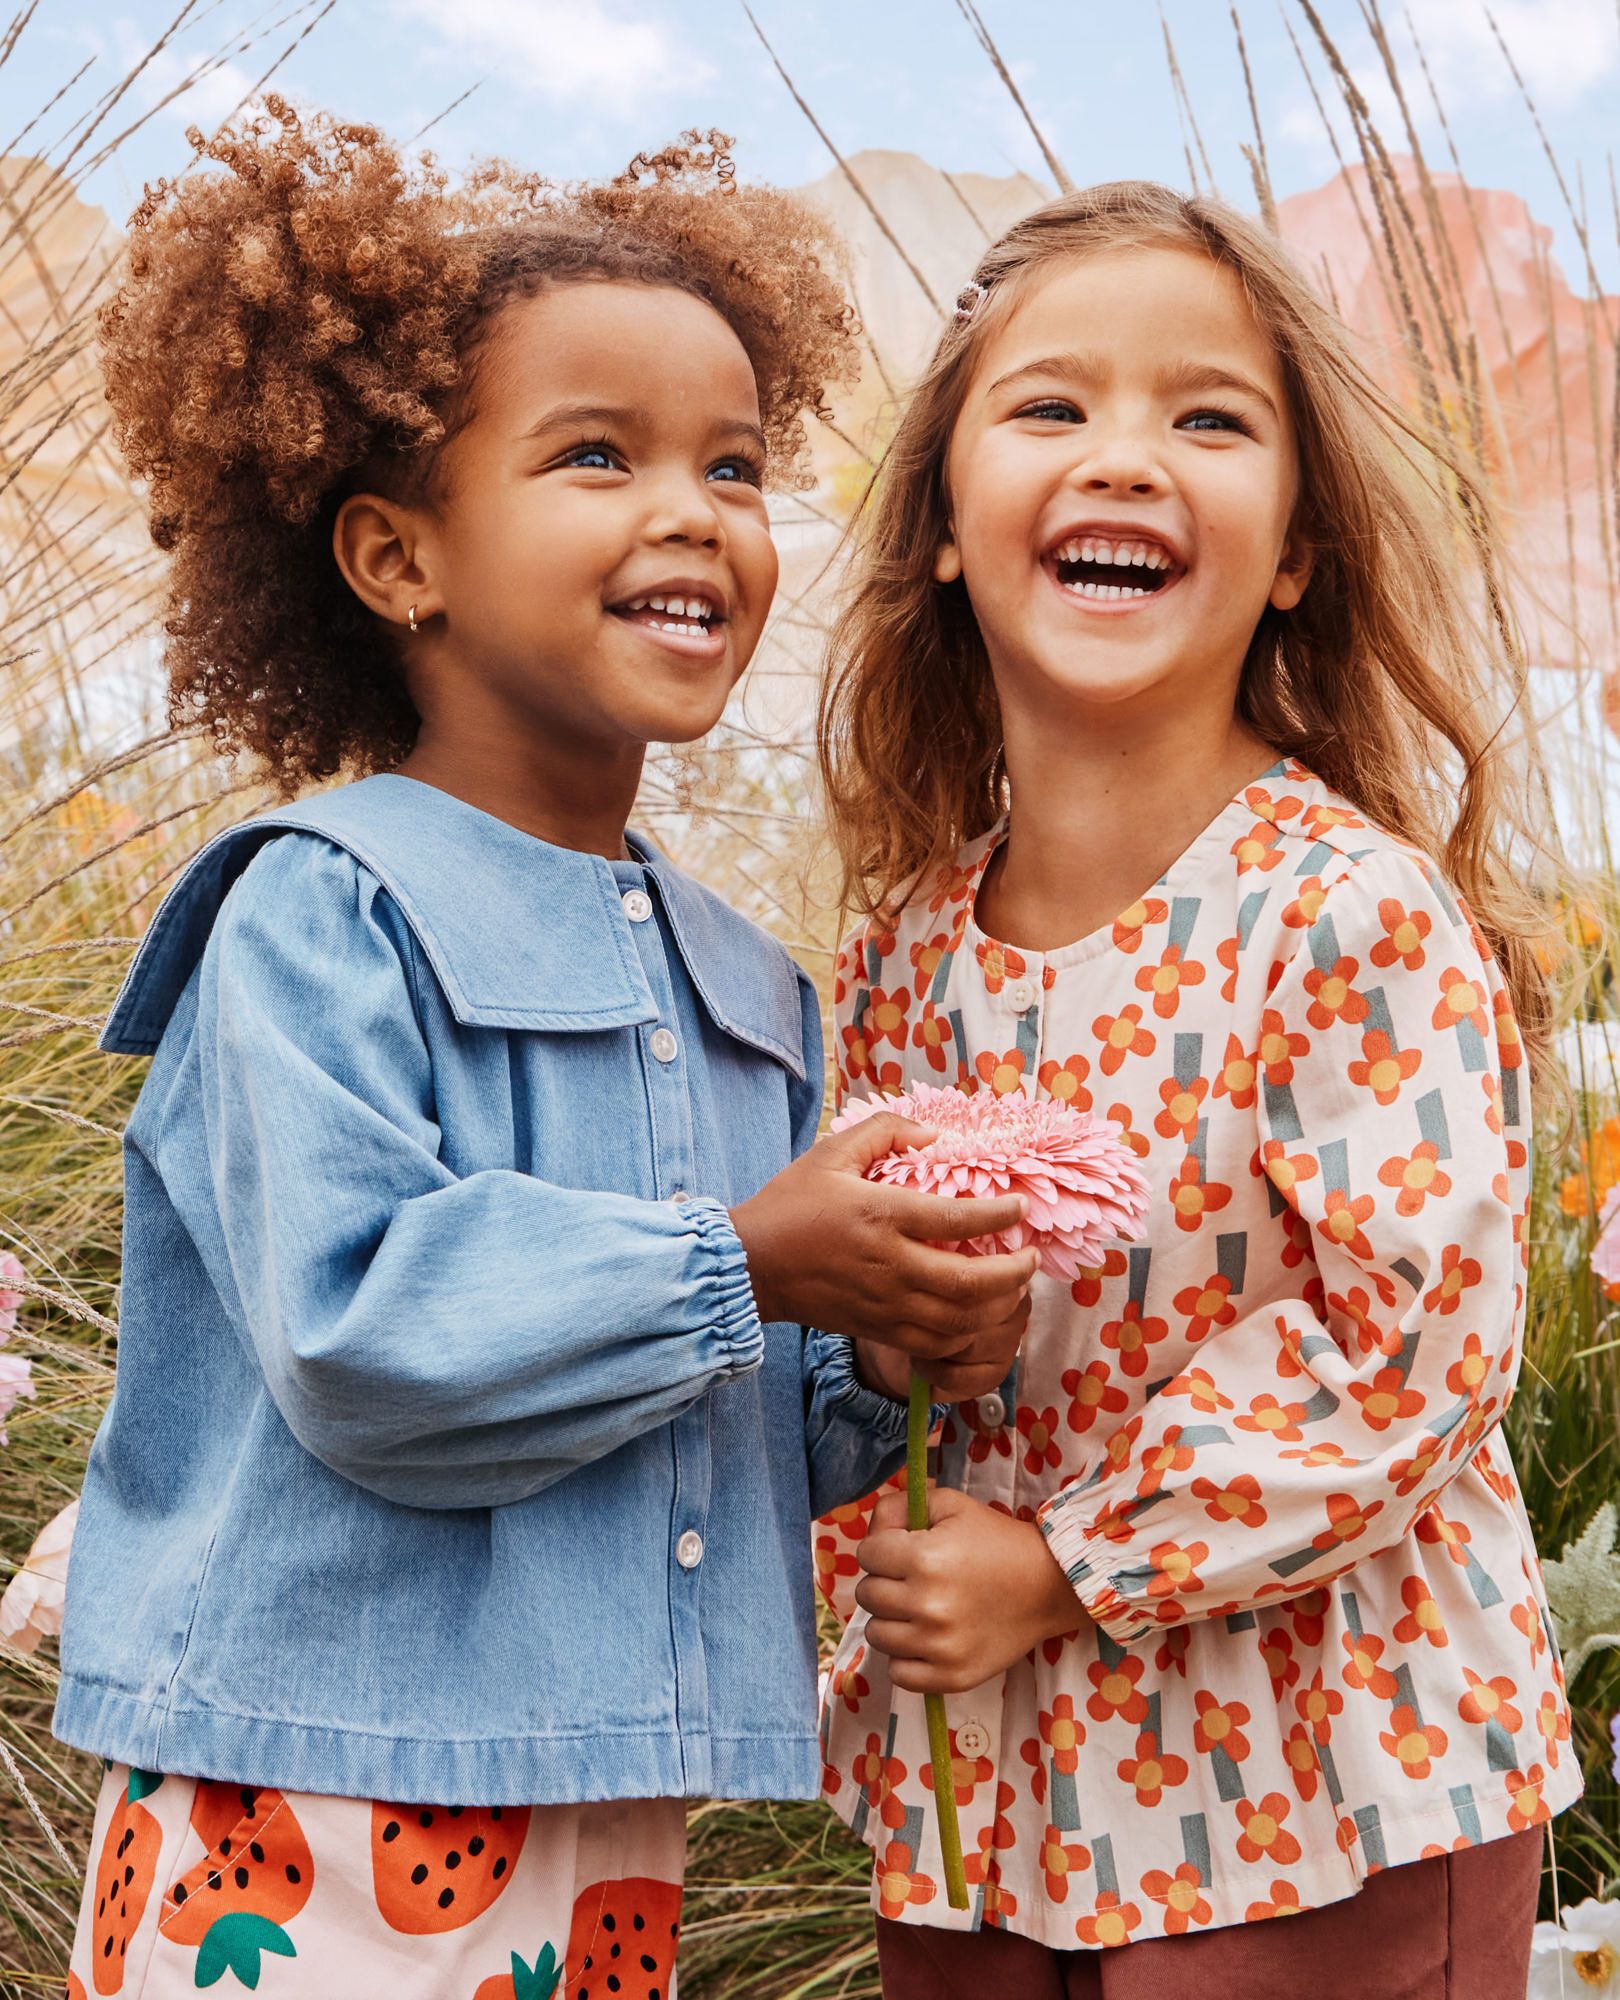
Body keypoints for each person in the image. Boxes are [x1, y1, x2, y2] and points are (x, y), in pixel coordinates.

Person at [58, 106, 1038, 1999]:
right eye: (598, 455)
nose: (695, 510)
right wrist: (751, 1260)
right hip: (301, 1806)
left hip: (606, 1821)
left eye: (737, 465)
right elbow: (363, 1334)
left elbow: (715, 1404)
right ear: (394, 556)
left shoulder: (751, 984)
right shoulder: (317, 911)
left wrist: (879, 1350)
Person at [816, 179, 1575, 2000]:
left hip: (1322, 1792)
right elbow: (850, 1316)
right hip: (989, 1803)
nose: (1127, 456)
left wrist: (1066, 1562)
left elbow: (1411, 1339)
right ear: (938, 525)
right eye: (1053, 405)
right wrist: (888, 1345)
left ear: (1298, 550)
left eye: (1209, 418)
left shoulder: (1345, 915)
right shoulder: (902, 957)